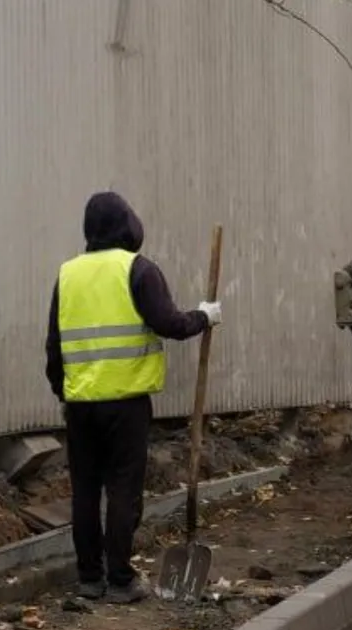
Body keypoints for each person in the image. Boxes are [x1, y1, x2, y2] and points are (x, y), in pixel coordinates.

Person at [45, 192, 222, 603]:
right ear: (128, 225)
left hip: (81, 405)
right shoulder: (138, 270)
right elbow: (169, 324)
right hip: (125, 405)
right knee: (124, 490)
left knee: (86, 493)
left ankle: (90, 579)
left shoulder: (67, 275)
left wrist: (62, 391)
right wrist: (204, 316)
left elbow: (55, 345)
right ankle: (121, 580)